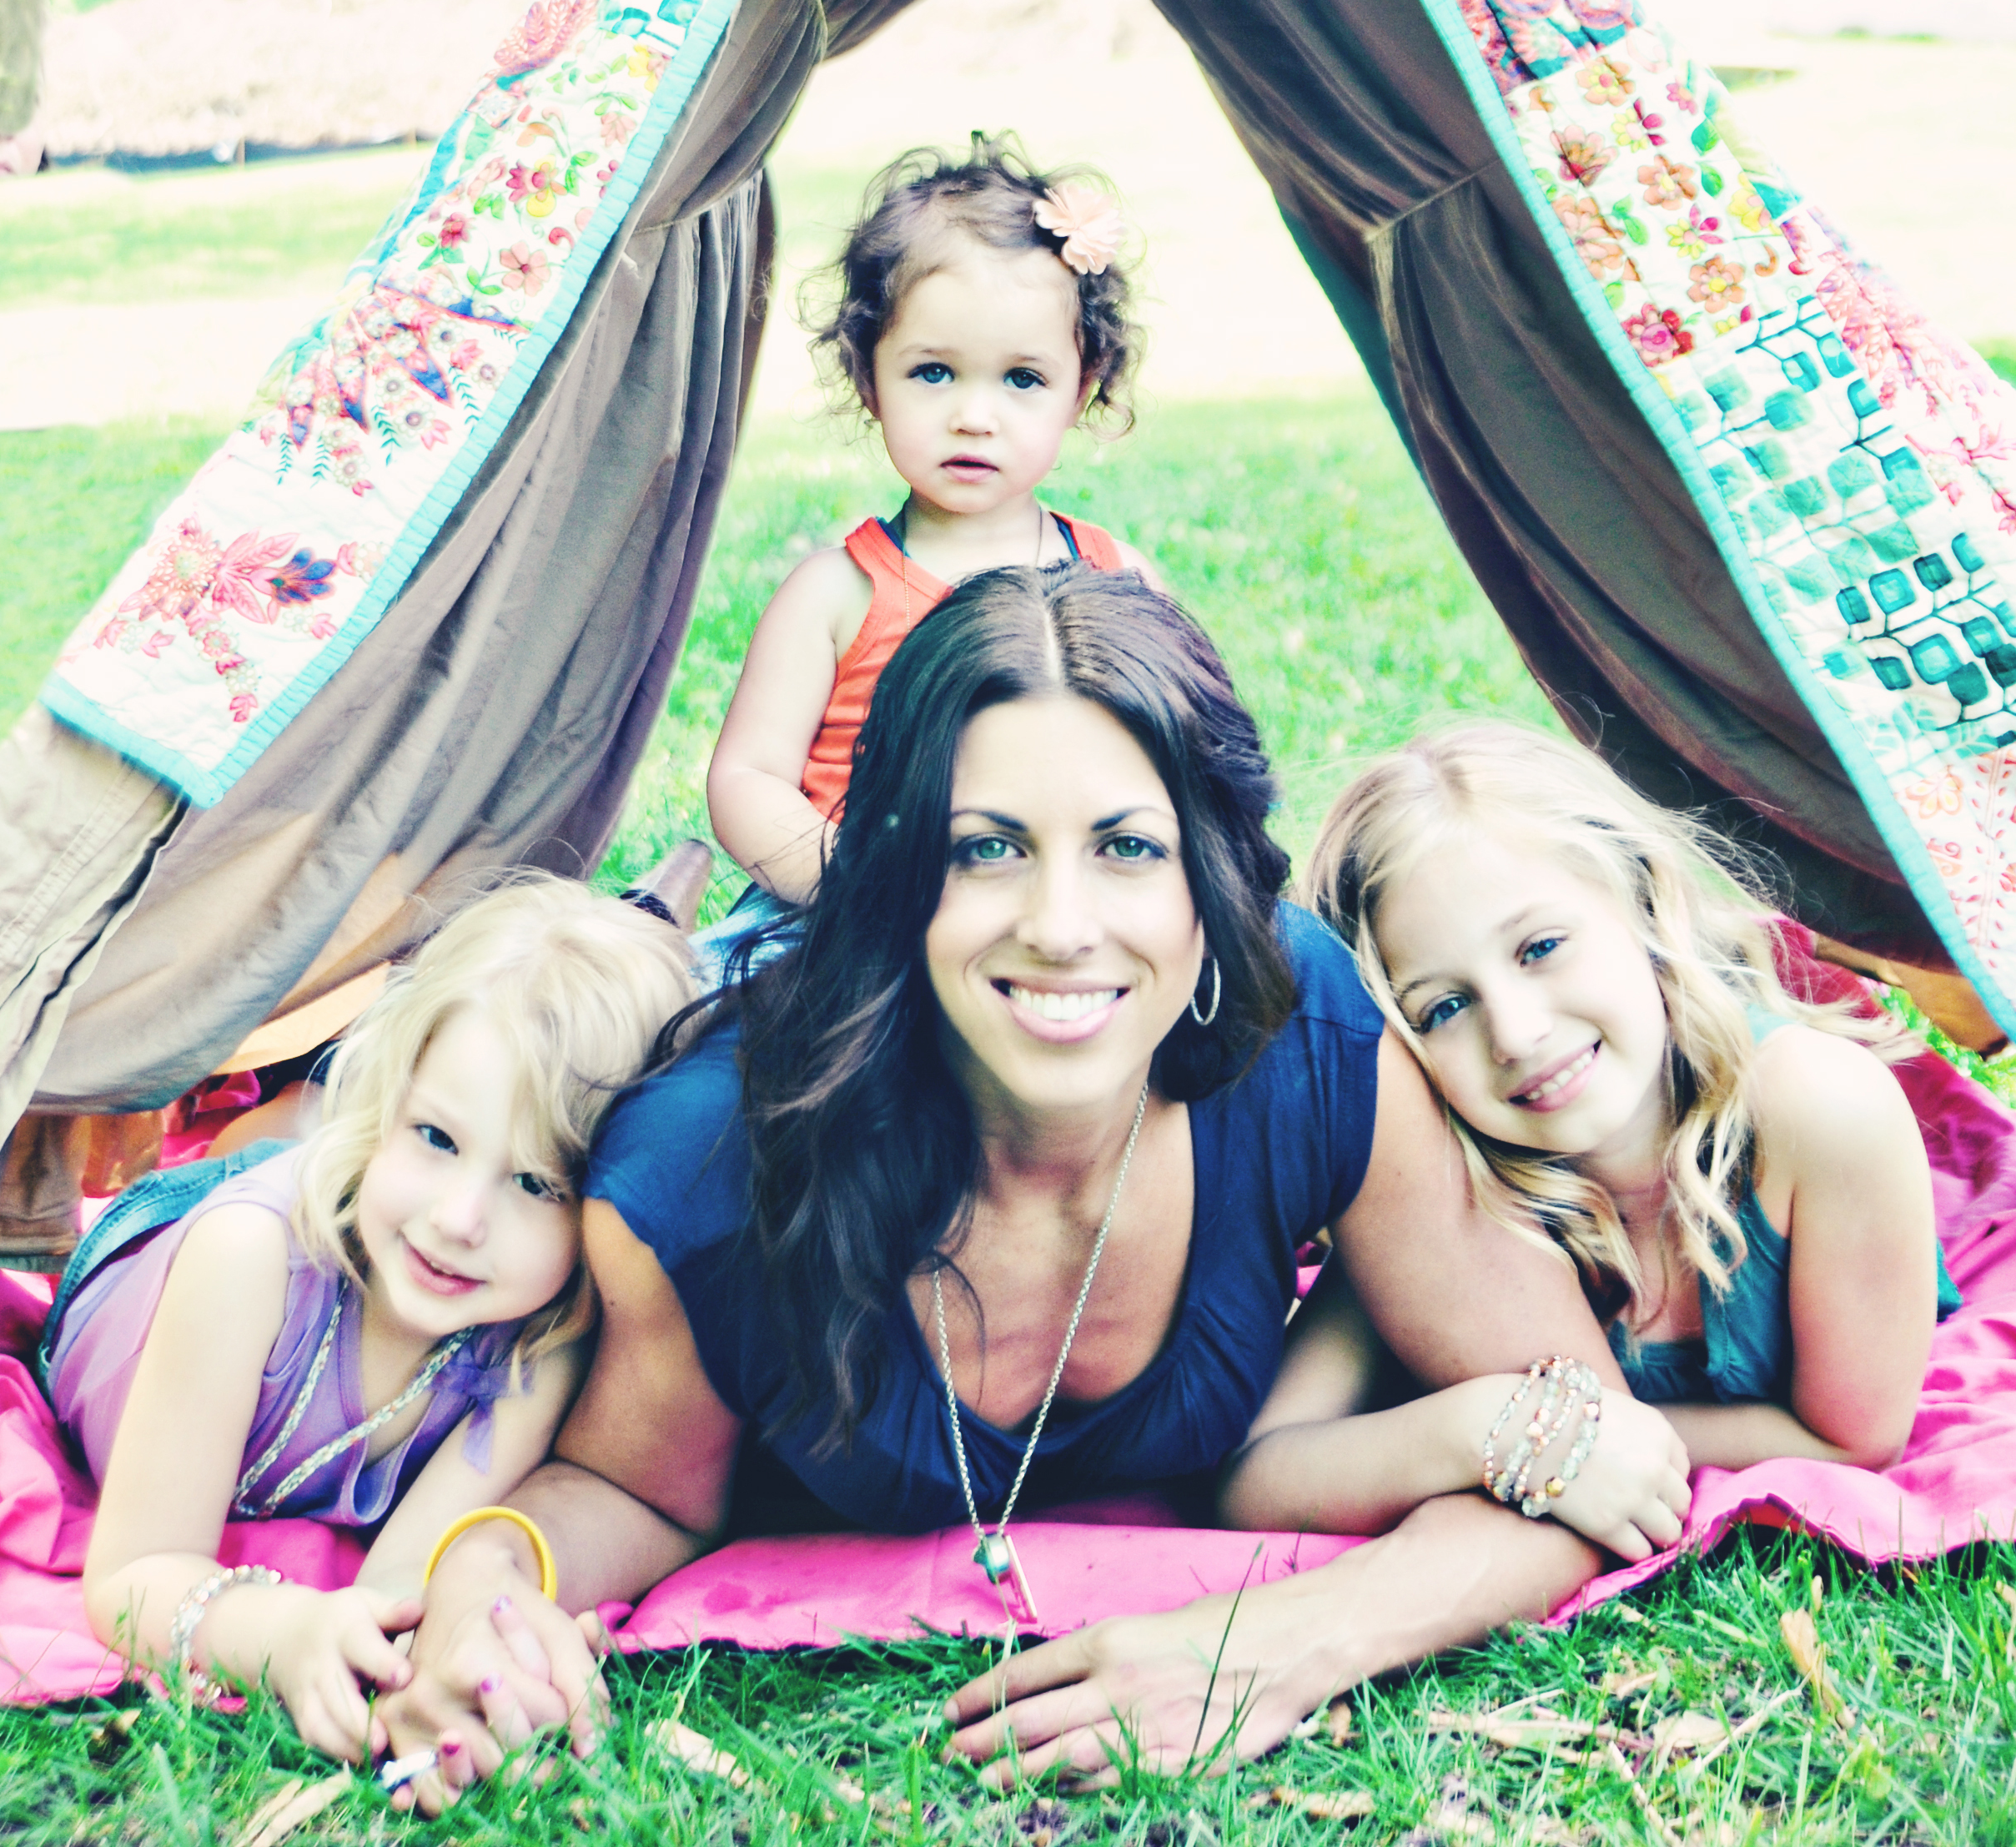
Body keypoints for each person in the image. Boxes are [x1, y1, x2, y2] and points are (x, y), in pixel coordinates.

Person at [380, 574, 1689, 1805]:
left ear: (1208, 875)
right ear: (895, 879)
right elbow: (637, 1489)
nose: (1061, 925)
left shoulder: (1299, 1038)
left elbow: (1592, 1445)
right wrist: (485, 1593)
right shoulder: (707, 1163)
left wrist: (1275, 1645)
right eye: (988, 848)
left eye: (1125, 846)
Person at [42, 877, 691, 1769]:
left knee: (326, 1163)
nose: (460, 1218)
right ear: (392, 1096)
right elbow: (131, 1576)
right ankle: (288, 1126)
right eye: (436, 1135)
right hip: (154, 1254)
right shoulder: (243, 1261)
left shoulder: (541, 1336)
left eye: (535, 1182)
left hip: (352, 1208)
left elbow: (401, 1589)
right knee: (256, 1167)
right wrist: (281, 1632)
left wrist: (429, 1683)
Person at [1305, 722, 1948, 1477]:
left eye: (1540, 947)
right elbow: (1254, 1470)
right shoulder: (1434, 1186)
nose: (1514, 1032)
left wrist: (1549, 1435)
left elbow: (1853, 1440)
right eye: (1443, 1007)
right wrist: (1477, 1434)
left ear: (1643, 899)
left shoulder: (1824, 1110)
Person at [706, 138, 1154, 910]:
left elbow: (1179, 760)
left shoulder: (1118, 577)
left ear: (1080, 390)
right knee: (707, 990)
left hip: (1058, 908)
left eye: (1023, 378)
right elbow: (748, 776)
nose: (973, 416)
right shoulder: (834, 593)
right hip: (848, 911)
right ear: (869, 378)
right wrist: (853, 887)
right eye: (933, 371)